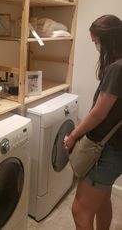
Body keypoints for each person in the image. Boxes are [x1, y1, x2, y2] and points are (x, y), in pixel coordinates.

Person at [64, 14, 122, 230]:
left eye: (96, 42)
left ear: (108, 41)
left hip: (105, 151)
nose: (96, 47)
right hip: (116, 148)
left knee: (80, 211)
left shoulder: (117, 68)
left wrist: (72, 136)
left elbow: (99, 113)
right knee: (102, 199)